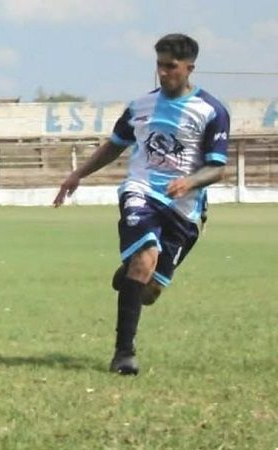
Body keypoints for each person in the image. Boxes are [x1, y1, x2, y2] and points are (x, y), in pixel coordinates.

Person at [53, 33, 229, 376]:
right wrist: (78, 174)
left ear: (189, 68)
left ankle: (132, 274)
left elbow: (217, 167)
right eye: (159, 65)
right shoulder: (140, 106)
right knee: (145, 257)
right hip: (142, 191)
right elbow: (114, 145)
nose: (163, 73)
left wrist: (190, 181)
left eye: (171, 66)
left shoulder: (211, 111)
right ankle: (124, 354)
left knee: (148, 291)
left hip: (184, 206)